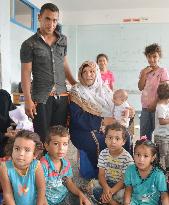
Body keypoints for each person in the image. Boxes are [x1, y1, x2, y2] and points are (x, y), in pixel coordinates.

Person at [20, 3, 76, 143]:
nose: (51, 24)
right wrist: (27, 99)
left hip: (62, 96)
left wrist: (75, 84)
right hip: (41, 98)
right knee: (42, 139)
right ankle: (42, 165)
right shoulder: (29, 44)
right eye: (47, 19)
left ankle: (56, 165)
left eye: (55, 20)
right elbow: (26, 73)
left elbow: (63, 63)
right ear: (39, 18)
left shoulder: (63, 40)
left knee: (59, 138)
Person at [69, 60, 114, 179]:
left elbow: (118, 106)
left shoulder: (105, 90)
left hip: (106, 126)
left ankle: (119, 173)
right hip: (82, 129)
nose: (89, 74)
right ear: (81, 74)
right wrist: (102, 121)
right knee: (99, 141)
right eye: (85, 72)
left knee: (125, 137)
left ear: (97, 73)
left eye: (92, 71)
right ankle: (98, 176)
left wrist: (127, 111)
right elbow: (78, 117)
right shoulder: (76, 91)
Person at [40, 125, 91, 205]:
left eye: (65, 144)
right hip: (47, 201)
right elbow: (40, 191)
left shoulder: (66, 163)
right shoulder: (43, 165)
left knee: (84, 199)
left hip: (63, 197)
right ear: (46, 145)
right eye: (56, 144)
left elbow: (69, 182)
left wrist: (81, 195)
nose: (61, 148)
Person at [0, 130, 46, 205]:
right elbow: (8, 194)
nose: (21, 154)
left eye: (27, 150)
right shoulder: (5, 168)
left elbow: (41, 190)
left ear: (34, 154)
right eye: (17, 149)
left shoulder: (36, 166)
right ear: (12, 149)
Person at [92, 123, 133, 205]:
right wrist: (106, 188)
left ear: (123, 142)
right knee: (92, 186)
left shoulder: (127, 158)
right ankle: (110, 200)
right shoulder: (103, 153)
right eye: (110, 138)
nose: (113, 142)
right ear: (105, 139)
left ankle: (107, 200)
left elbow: (124, 180)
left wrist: (111, 192)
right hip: (106, 183)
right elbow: (101, 175)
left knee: (125, 194)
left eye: (117, 139)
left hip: (120, 186)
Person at [124, 137, 169, 205]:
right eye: (138, 155)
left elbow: (163, 194)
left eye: (146, 156)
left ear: (152, 158)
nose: (141, 159)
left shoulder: (158, 174)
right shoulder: (130, 170)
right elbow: (128, 188)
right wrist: (126, 203)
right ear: (133, 155)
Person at [138, 43, 169, 140]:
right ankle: (146, 154)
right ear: (146, 57)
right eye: (149, 56)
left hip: (158, 108)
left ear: (159, 57)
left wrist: (155, 103)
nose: (152, 59)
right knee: (144, 136)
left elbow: (165, 90)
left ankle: (159, 155)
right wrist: (143, 74)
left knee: (159, 136)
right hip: (145, 108)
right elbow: (140, 87)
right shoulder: (144, 71)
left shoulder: (162, 71)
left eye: (154, 56)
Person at [154, 82, 169, 170]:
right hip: (161, 136)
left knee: (166, 155)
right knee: (163, 155)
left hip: (166, 135)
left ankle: (166, 170)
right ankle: (162, 171)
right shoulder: (161, 107)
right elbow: (162, 121)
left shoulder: (166, 105)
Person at [0, 89, 16, 157]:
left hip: (7, 146)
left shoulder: (4, 94)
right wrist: (5, 134)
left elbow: (15, 116)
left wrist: (13, 126)